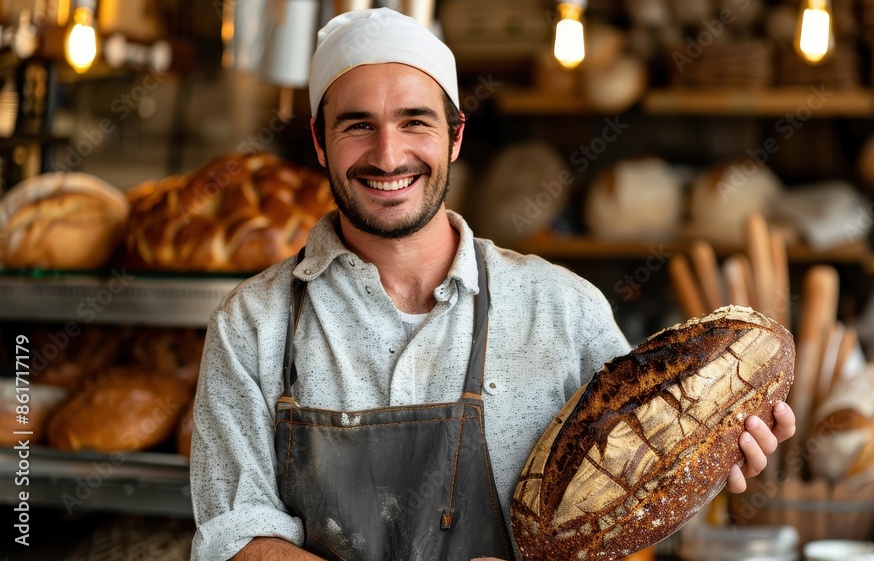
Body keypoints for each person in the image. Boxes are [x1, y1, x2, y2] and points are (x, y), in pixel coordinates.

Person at [189, 8, 796, 561]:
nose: (388, 153)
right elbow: (234, 537)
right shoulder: (254, 324)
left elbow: (626, 518)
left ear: (455, 136)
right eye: (357, 126)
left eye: (414, 122)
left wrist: (709, 465)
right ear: (320, 142)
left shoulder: (562, 308)